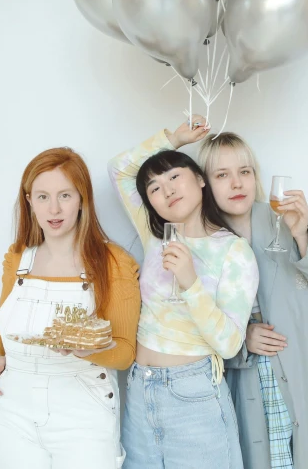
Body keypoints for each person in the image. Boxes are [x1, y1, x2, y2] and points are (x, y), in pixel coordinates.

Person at [190, 126, 308, 469]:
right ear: (203, 182)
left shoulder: (288, 219)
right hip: (252, 390)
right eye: (222, 174)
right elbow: (188, 328)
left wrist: (302, 234)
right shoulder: (202, 241)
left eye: (244, 172)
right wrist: (243, 338)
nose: (237, 183)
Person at [107, 120, 259, 469]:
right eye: (155, 188)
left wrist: (192, 282)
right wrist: (172, 138)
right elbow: (119, 169)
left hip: (195, 398)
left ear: (201, 179)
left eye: (175, 176)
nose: (167, 190)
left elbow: (229, 343)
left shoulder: (234, 252)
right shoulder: (154, 236)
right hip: (140, 394)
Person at [0, 147, 141, 469]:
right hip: (13, 408)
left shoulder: (114, 263)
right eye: (42, 197)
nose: (53, 208)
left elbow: (125, 352)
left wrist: (82, 349)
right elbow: (0, 319)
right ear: (28, 200)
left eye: (65, 195)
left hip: (83, 410)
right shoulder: (18, 258)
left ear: (83, 198)